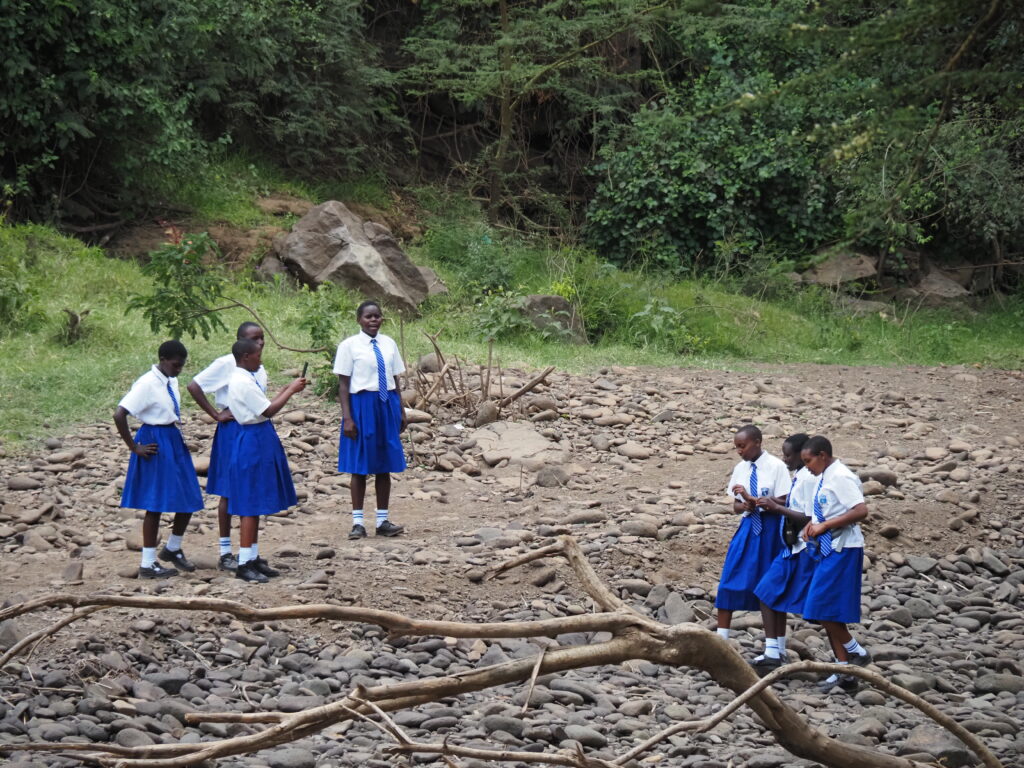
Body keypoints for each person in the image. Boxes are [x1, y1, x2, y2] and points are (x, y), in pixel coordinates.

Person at [114, 340, 204, 579]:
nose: (179, 370)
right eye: (176, 365)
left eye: (182, 366)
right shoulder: (146, 383)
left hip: (173, 437)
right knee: (154, 503)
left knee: (189, 495)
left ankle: (173, 548)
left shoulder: (170, 379)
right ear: (163, 359)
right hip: (154, 439)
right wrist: (134, 447)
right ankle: (147, 563)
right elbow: (119, 413)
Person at [221, 337, 307, 583]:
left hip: (258, 437)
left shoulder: (246, 378)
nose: (261, 359)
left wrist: (283, 390)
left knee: (255, 499)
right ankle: (244, 562)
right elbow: (267, 411)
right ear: (246, 357)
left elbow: (264, 403)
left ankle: (253, 556)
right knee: (249, 502)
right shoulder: (242, 381)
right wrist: (290, 391)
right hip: (252, 440)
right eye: (257, 355)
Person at [186, 322, 267, 571]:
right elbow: (194, 385)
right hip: (233, 429)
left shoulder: (258, 366)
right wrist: (215, 414)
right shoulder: (226, 364)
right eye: (254, 339)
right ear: (240, 342)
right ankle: (225, 551)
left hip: (252, 429)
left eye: (262, 338)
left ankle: (250, 553)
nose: (260, 343)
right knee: (230, 489)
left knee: (251, 488)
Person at [799, 435, 872, 692]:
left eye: (808, 461)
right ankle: (843, 670)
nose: (806, 466)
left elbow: (860, 510)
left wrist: (825, 525)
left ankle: (856, 651)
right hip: (827, 547)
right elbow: (826, 509)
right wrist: (813, 523)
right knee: (827, 609)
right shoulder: (824, 477)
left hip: (843, 548)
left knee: (819, 607)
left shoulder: (840, 476)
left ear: (822, 455)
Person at [334, 300, 407, 540]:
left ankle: (382, 520)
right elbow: (343, 384)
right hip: (362, 405)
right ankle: (358, 522)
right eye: (368, 317)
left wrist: (401, 411)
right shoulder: (349, 346)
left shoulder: (388, 344)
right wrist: (347, 418)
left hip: (386, 404)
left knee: (384, 463)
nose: (374, 320)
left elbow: (395, 378)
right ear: (359, 320)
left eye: (377, 316)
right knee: (360, 464)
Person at [715, 425, 791, 654]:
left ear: (758, 442)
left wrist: (755, 499)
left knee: (772, 585)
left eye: (743, 446)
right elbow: (736, 505)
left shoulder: (776, 466)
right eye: (736, 447)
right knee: (730, 577)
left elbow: (785, 498)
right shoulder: (741, 468)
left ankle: (778, 647)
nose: (739, 451)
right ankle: (721, 644)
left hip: (772, 529)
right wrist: (745, 504)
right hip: (750, 526)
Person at [751, 433, 816, 674]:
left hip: (800, 548)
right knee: (770, 594)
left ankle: (773, 652)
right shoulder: (801, 476)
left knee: (767, 592)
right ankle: (775, 651)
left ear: (802, 454)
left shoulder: (809, 478)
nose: (784, 459)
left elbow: (809, 515)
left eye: (788, 455)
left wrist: (777, 508)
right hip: (791, 547)